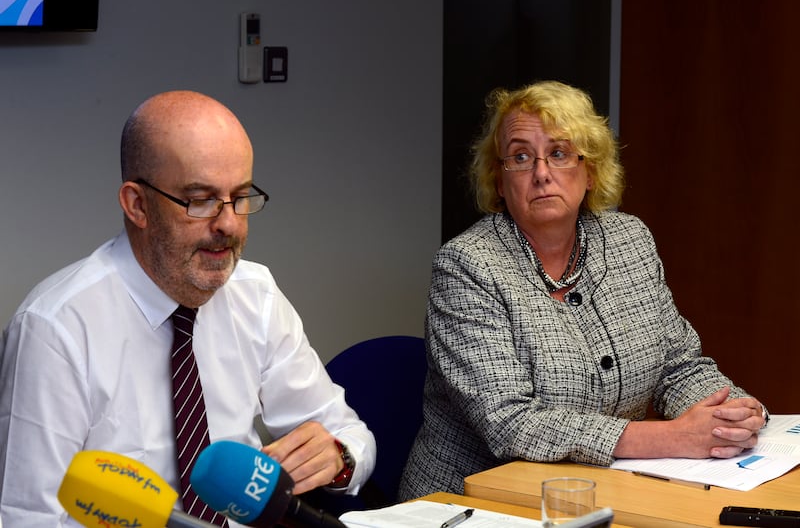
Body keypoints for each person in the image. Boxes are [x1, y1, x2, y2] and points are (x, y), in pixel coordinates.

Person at [0, 90, 376, 525]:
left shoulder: (255, 294)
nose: (229, 223)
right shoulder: (55, 329)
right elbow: (26, 518)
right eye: (200, 200)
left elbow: (351, 436)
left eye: (240, 196)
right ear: (137, 204)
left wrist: (337, 457)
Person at [398, 80, 768, 499]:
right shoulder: (468, 265)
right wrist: (671, 437)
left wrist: (730, 416)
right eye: (520, 157)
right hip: (474, 502)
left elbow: (677, 367)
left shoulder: (629, 239)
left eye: (558, 154)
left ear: (590, 170)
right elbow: (510, 423)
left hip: (597, 491)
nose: (541, 174)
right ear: (499, 182)